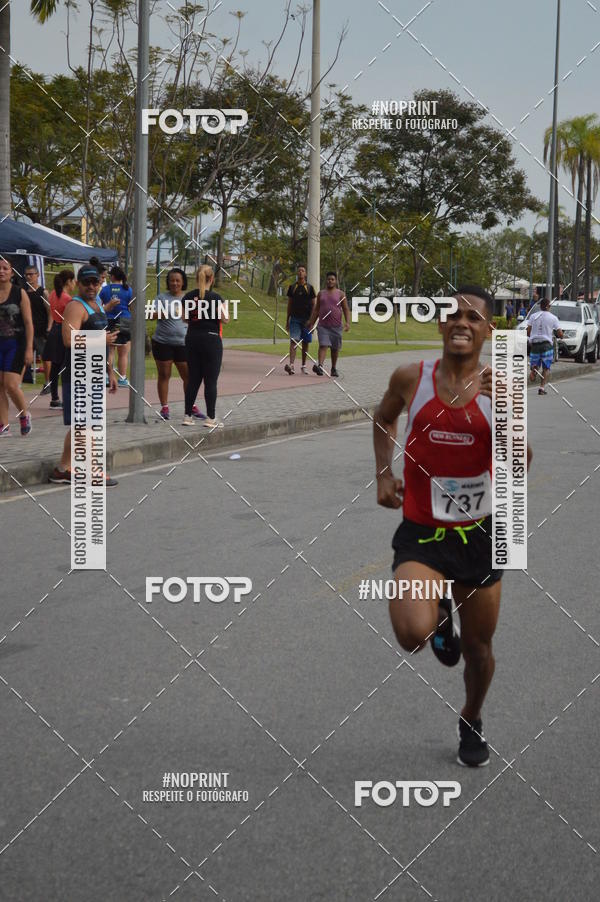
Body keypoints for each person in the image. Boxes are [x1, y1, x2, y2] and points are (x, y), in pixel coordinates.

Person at [373, 285, 532, 767]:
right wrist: (384, 472)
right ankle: (440, 614)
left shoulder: (502, 387)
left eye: (474, 318)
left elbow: (519, 466)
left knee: (479, 649)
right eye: (453, 316)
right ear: (441, 326)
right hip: (422, 528)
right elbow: (383, 420)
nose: (462, 322)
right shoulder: (410, 377)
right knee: (411, 633)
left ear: (488, 330)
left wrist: (505, 412)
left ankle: (472, 717)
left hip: (482, 532)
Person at [48, 265, 118, 485]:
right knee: (86, 425)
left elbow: (105, 340)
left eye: (95, 282)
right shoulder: (75, 307)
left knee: (83, 424)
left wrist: (110, 371)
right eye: (86, 282)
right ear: (78, 284)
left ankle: (62, 469)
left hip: (95, 372)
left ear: (100, 283)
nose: (91, 286)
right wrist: (100, 341)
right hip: (79, 374)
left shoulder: (97, 304)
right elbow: (68, 340)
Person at [150, 267, 204, 421]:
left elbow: (197, 318)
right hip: (162, 343)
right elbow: (150, 315)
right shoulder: (161, 298)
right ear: (168, 282)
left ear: (183, 282)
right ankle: (164, 408)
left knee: (188, 376)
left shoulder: (189, 299)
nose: (174, 283)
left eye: (177, 280)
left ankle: (191, 406)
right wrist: (165, 312)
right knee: (164, 375)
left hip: (184, 344)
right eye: (172, 280)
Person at [181, 264, 228, 428]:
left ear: (196, 278)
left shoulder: (187, 297)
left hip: (192, 338)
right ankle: (211, 417)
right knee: (210, 380)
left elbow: (184, 319)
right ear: (212, 279)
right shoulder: (216, 298)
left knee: (193, 378)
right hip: (211, 339)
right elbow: (225, 319)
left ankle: (187, 415)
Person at [0, 259, 33, 435]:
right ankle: (3, 425)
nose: (2, 271)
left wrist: (29, 348)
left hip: (16, 344)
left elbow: (28, 323)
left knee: (11, 385)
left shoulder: (20, 293)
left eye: (5, 268)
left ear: (12, 272)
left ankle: (24, 415)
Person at [308, 271, 350, 377]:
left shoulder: (341, 294)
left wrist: (347, 323)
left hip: (336, 326)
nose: (330, 281)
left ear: (335, 281)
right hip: (323, 326)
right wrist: (311, 323)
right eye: (328, 279)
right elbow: (316, 310)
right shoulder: (321, 293)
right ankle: (320, 366)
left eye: (332, 279)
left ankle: (333, 368)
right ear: (326, 281)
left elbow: (345, 309)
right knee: (323, 345)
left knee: (335, 349)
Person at [44, 269, 76, 409]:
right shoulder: (68, 299)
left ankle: (54, 398)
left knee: (55, 366)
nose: (75, 283)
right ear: (69, 281)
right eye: (74, 280)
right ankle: (67, 399)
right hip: (64, 331)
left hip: (55, 330)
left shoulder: (52, 294)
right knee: (66, 366)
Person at [100, 265, 133, 387]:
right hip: (125, 320)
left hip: (109, 320)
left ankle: (107, 377)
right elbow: (132, 306)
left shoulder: (105, 289)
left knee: (110, 351)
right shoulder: (128, 289)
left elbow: (100, 305)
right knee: (123, 352)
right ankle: (122, 378)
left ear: (112, 276)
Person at [22, 265, 51, 389]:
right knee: (23, 357)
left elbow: (50, 312)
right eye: (27, 274)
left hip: (41, 330)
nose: (29, 277)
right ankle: (18, 383)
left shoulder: (43, 292)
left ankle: (48, 382)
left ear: (37, 275)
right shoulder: (22, 292)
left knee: (45, 357)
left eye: (31, 274)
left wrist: (49, 327)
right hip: (26, 330)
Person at [527, 297, 563, 395]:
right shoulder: (553, 318)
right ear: (549, 306)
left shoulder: (533, 316)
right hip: (546, 345)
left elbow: (528, 331)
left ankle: (534, 369)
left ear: (540, 306)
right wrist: (561, 335)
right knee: (546, 368)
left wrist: (533, 338)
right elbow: (560, 334)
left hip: (535, 345)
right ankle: (541, 388)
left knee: (536, 364)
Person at [284, 265, 316, 374]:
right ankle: (291, 365)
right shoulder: (292, 287)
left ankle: (303, 365)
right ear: (297, 274)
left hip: (306, 320)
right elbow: (289, 304)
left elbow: (314, 305)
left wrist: (311, 321)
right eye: (299, 271)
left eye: (303, 271)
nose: (301, 272)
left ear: (305, 274)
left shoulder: (310, 288)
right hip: (295, 319)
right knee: (294, 340)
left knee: (305, 342)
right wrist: (287, 320)